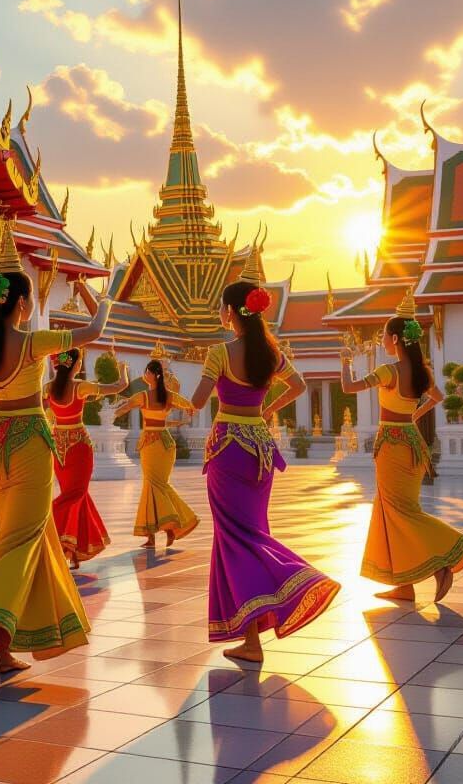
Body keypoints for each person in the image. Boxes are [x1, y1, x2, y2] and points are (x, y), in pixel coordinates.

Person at [0, 227, 112, 675]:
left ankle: (2, 643)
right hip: (31, 442)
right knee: (25, 539)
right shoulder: (32, 343)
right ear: (21, 304)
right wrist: (102, 301)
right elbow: (92, 331)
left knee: (13, 537)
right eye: (29, 301)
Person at [191, 258, 341, 663]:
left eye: (221, 308)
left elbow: (198, 402)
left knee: (235, 537)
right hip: (259, 450)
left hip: (227, 450)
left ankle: (295, 579)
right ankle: (252, 638)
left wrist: (173, 402)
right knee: (250, 532)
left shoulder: (219, 352)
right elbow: (300, 385)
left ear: (229, 311)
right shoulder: (271, 353)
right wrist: (268, 408)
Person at [341, 290, 463, 603]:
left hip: (392, 445)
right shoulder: (421, 371)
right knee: (392, 509)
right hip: (412, 442)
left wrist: (345, 360)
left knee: (401, 511)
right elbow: (437, 398)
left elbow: (349, 387)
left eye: (386, 336)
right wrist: (412, 415)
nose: (384, 341)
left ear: (397, 340)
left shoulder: (390, 371)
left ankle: (444, 560)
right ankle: (404, 583)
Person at [45, 340, 129, 570]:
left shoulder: (48, 388)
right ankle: (44, 525)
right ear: (76, 364)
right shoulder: (80, 387)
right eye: (80, 360)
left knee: (77, 496)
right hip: (78, 446)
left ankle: (73, 551)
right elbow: (118, 386)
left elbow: (41, 413)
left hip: (58, 448)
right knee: (75, 496)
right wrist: (122, 370)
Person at [113, 359, 199, 549]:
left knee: (153, 485)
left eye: (148, 372)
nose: (145, 374)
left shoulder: (144, 396)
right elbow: (190, 405)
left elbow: (126, 407)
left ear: (154, 375)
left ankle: (165, 529)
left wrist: (115, 413)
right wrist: (189, 413)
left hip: (152, 443)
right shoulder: (169, 396)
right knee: (158, 485)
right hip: (164, 443)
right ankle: (167, 529)